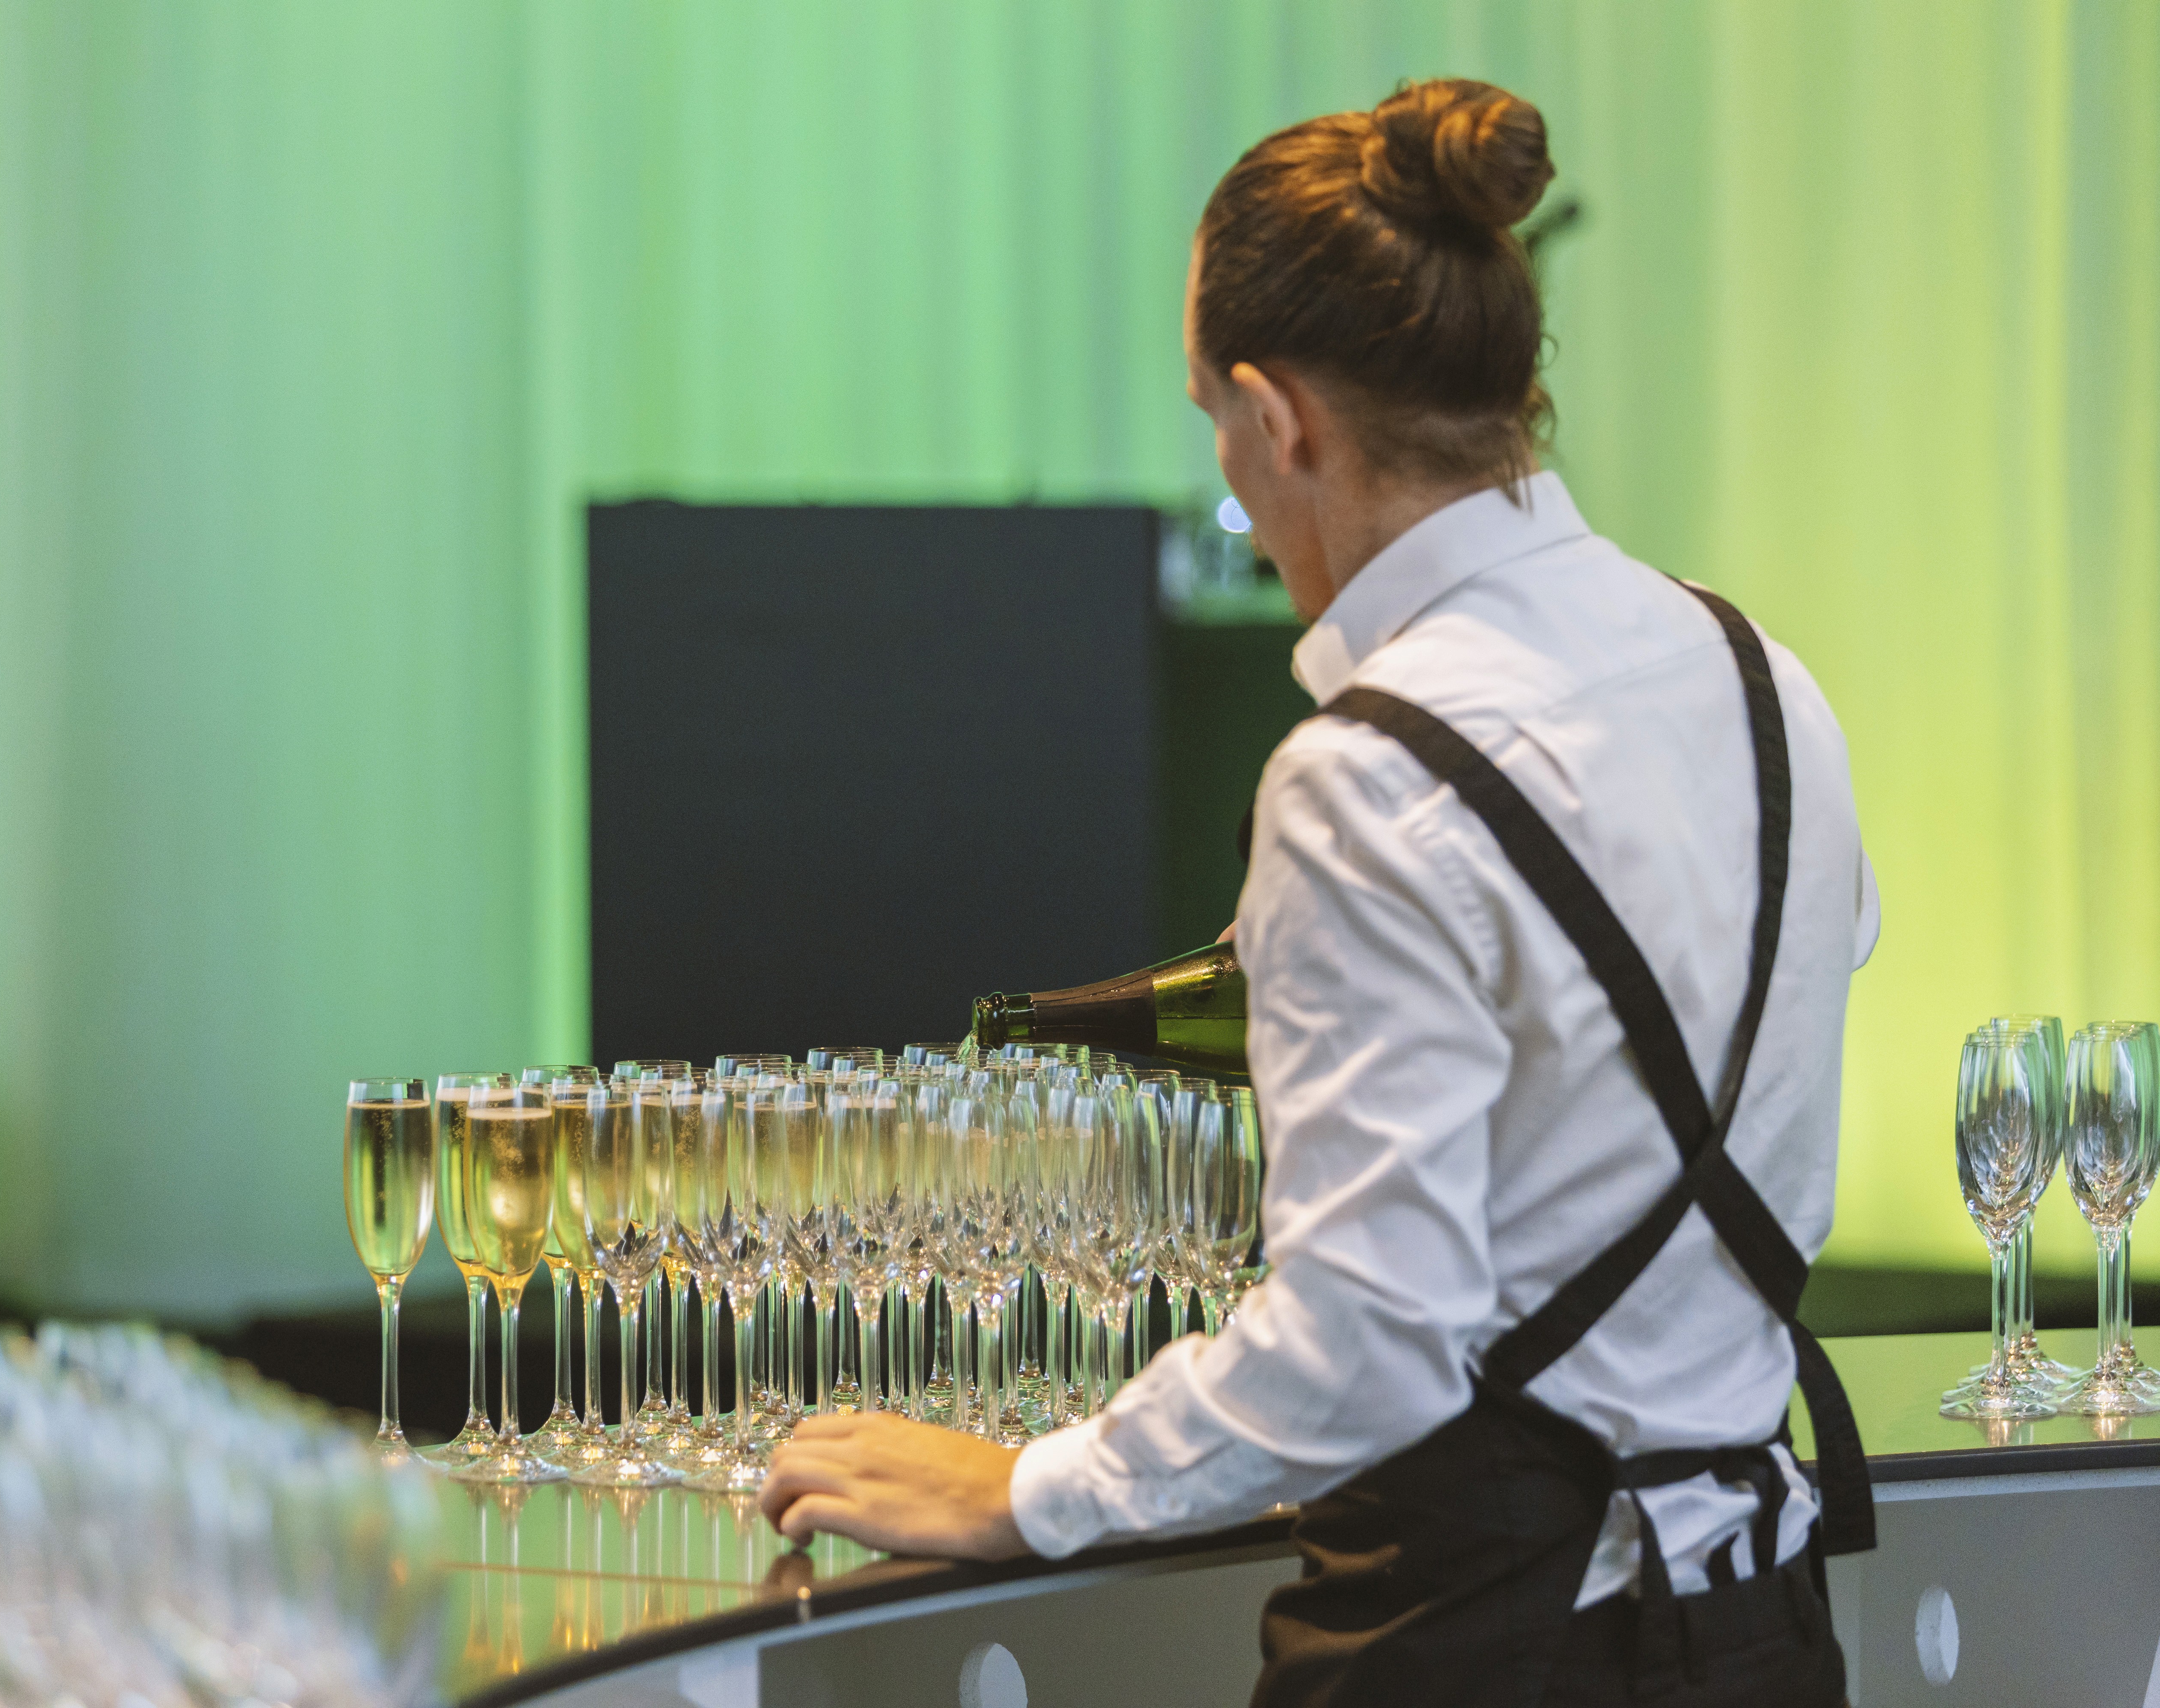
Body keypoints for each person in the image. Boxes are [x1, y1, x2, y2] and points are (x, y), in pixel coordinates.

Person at [760, 77, 1880, 1706]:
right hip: (1765, 1632)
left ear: (1279, 420)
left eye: (1212, 418)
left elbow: (1371, 1338)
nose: (1229, 466)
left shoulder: (1366, 780)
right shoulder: (1766, 682)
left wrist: (1024, 1487)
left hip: (1486, 1649)